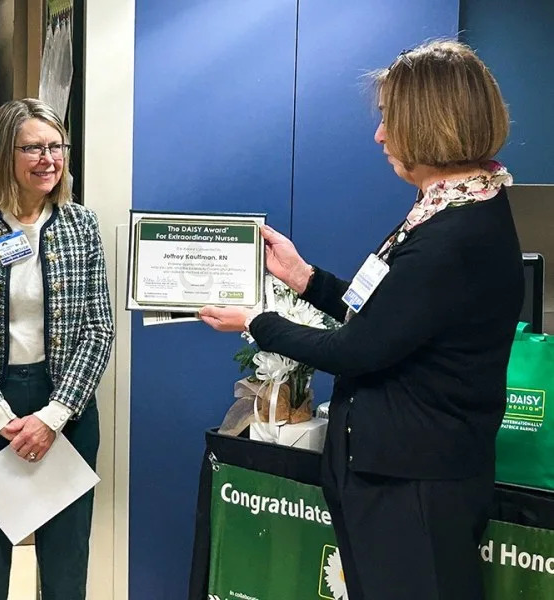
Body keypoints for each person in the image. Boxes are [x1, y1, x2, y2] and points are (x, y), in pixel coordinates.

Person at [200, 40, 522, 600]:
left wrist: (258, 321)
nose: (379, 135)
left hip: (413, 482)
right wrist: (305, 278)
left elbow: (359, 348)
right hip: (401, 471)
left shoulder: (454, 235)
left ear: (429, 124)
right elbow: (390, 314)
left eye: (389, 119)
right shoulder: (453, 207)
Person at [0, 98, 114, 600]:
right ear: (1, 152)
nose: (48, 159)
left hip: (64, 407)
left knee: (66, 560)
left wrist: (52, 416)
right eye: (33, 148)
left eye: (56, 146)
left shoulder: (81, 225)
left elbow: (99, 329)